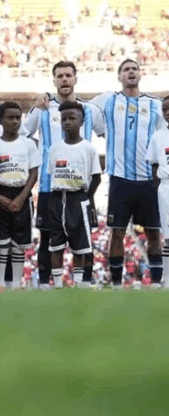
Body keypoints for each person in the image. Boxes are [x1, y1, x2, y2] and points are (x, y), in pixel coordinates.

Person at [24, 61, 105, 288]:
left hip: (80, 189)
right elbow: (23, 133)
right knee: (47, 238)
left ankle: (84, 285)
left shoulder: (89, 110)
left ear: (75, 79)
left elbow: (106, 132)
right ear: (54, 81)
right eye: (60, 76)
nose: (64, 79)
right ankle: (45, 286)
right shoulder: (42, 108)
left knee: (84, 240)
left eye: (68, 75)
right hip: (49, 187)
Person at [91, 59, 163, 288]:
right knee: (117, 232)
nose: (130, 72)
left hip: (149, 179)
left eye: (134, 69)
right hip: (119, 178)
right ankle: (115, 284)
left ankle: (157, 283)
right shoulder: (107, 100)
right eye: (126, 69)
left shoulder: (155, 104)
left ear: (140, 75)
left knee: (154, 232)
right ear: (119, 76)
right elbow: (82, 109)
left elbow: (163, 138)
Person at [47, 101, 102, 288]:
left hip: (78, 198)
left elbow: (96, 177)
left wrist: (87, 197)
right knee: (55, 245)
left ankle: (78, 285)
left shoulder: (88, 148)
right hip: (57, 198)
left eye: (72, 118)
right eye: (64, 119)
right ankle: (57, 285)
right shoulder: (54, 149)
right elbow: (51, 174)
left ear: (81, 121)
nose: (68, 122)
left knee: (80, 246)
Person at [0, 102, 39, 289]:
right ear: (0, 120)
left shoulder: (29, 144)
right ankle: (0, 283)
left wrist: (22, 197)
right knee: (2, 244)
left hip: (22, 195)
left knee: (19, 244)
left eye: (18, 118)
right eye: (10, 118)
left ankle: (16, 284)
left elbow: (33, 173)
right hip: (0, 194)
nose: (15, 121)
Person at [146, 95, 169, 287]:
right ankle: (167, 278)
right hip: (166, 186)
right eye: (165, 110)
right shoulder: (158, 136)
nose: (167, 112)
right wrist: (157, 190)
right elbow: (154, 165)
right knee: (168, 236)